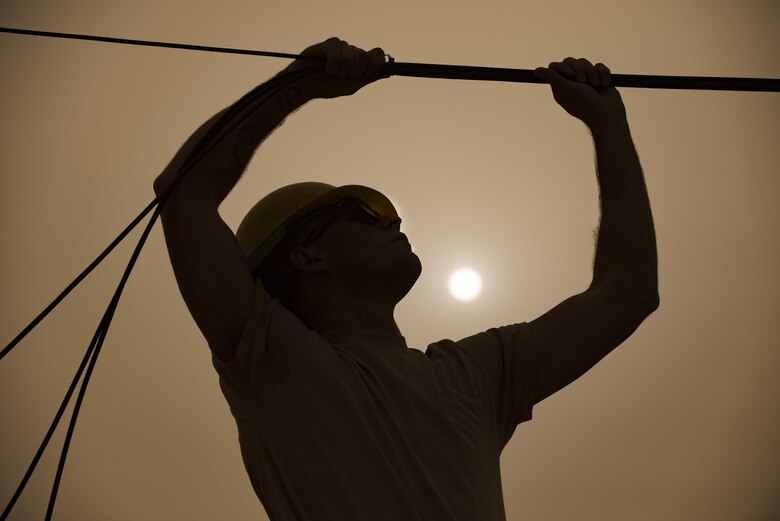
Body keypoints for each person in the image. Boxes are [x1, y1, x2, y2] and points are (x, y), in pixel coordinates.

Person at [153, 37, 658, 521]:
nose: (390, 220)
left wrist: (608, 123)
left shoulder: (474, 376)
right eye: (363, 209)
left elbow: (627, 293)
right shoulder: (273, 365)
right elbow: (184, 196)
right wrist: (298, 84)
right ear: (307, 258)